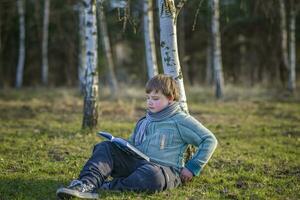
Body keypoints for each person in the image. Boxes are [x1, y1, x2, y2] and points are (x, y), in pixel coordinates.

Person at [56, 74, 218, 199]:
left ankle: (108, 187)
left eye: (155, 99)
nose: (149, 102)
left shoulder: (180, 120)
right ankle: (85, 185)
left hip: (164, 171)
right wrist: (122, 145)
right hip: (138, 163)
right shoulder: (145, 120)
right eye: (147, 98)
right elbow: (134, 144)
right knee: (105, 147)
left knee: (152, 176)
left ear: (170, 99)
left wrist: (192, 167)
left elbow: (209, 140)